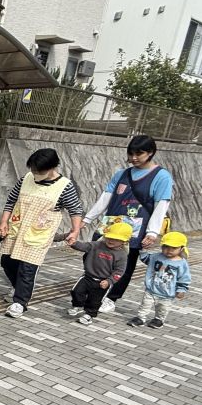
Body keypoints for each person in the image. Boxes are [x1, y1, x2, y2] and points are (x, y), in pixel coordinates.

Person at [83, 135, 174, 313]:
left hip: (135, 229)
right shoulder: (122, 174)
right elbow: (105, 198)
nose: (133, 158)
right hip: (110, 226)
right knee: (93, 255)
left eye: (139, 153)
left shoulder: (161, 176)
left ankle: (111, 298)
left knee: (125, 264)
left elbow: (161, 205)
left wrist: (152, 232)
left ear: (151, 153)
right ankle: (95, 290)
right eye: (131, 153)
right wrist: (87, 219)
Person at [0, 148, 84, 318]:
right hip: (17, 228)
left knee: (27, 269)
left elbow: (75, 210)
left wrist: (75, 231)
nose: (35, 174)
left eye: (39, 171)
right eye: (33, 170)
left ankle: (20, 302)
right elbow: (11, 200)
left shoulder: (64, 186)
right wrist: (3, 221)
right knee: (6, 261)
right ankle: (18, 287)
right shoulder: (26, 178)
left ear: (53, 167)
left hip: (38, 234)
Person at [64, 222, 131, 325]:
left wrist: (109, 281)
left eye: (116, 239)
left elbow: (119, 271)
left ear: (124, 241)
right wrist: (74, 243)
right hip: (87, 276)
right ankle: (77, 305)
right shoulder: (97, 245)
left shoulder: (122, 255)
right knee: (76, 291)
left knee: (95, 300)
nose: (111, 240)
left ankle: (89, 315)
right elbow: (84, 246)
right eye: (109, 237)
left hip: (103, 282)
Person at [128, 231, 190, 328]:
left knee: (163, 308)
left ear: (181, 248)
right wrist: (143, 250)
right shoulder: (156, 257)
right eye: (165, 247)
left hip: (167, 293)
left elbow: (184, 278)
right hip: (151, 289)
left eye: (174, 248)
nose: (169, 250)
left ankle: (158, 319)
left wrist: (181, 290)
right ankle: (140, 318)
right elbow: (145, 259)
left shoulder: (181, 263)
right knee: (145, 304)